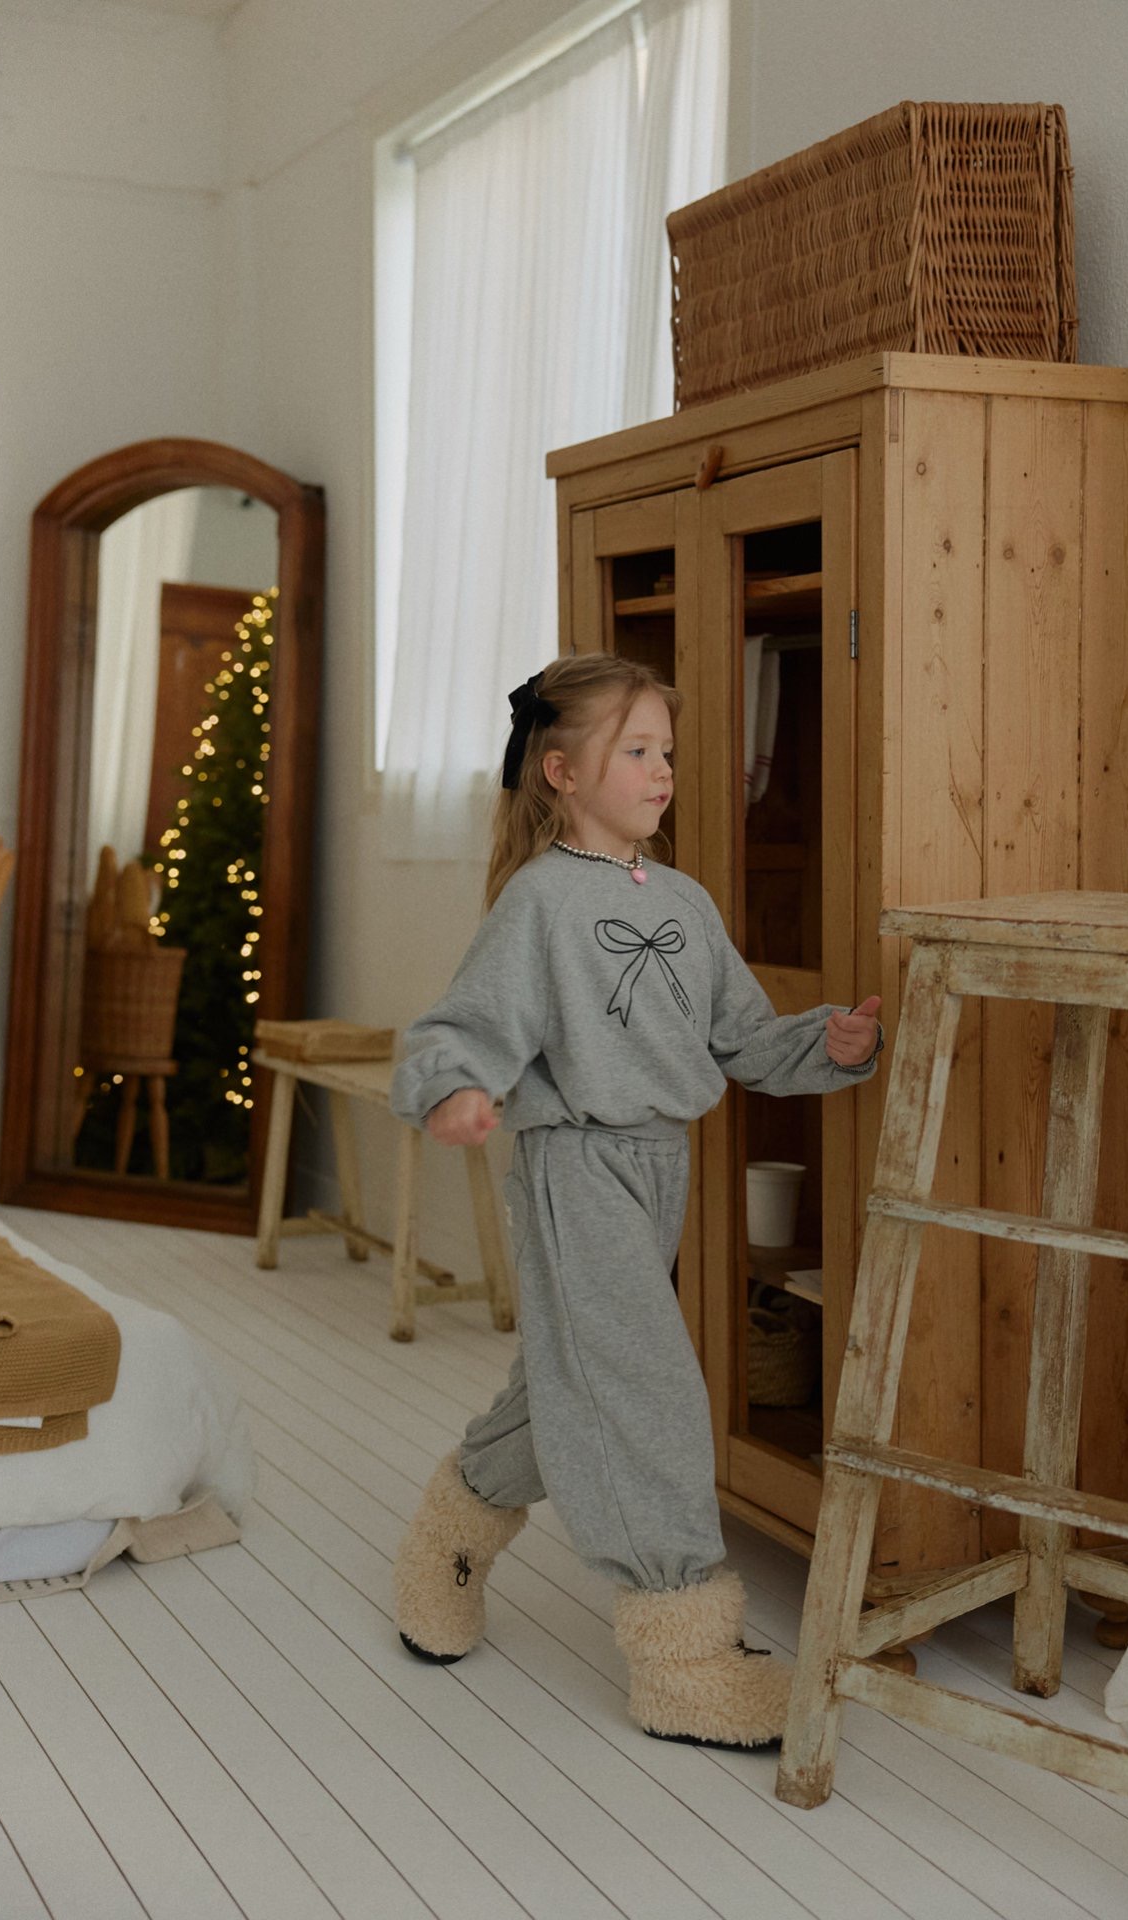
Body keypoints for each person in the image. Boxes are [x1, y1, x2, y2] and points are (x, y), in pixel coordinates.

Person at [389, 653, 882, 1749]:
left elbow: (742, 1038)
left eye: (667, 751)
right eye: (637, 752)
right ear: (561, 772)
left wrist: (830, 1043)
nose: (663, 771)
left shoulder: (686, 901)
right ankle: (684, 1655)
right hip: (574, 1166)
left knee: (569, 1378)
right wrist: (458, 1088)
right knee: (643, 1388)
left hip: (659, 1166)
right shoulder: (537, 901)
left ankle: (449, 1538)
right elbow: (466, 1023)